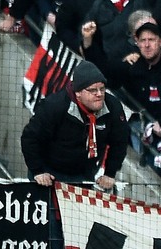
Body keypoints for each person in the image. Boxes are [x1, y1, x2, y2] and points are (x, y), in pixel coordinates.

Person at [21, 62, 127, 190]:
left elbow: (120, 142)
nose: (99, 94)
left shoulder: (113, 107)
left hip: (84, 175)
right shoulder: (54, 106)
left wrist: (110, 173)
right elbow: (30, 138)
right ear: (78, 93)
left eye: (102, 88)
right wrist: (38, 171)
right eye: (92, 90)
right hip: (48, 173)